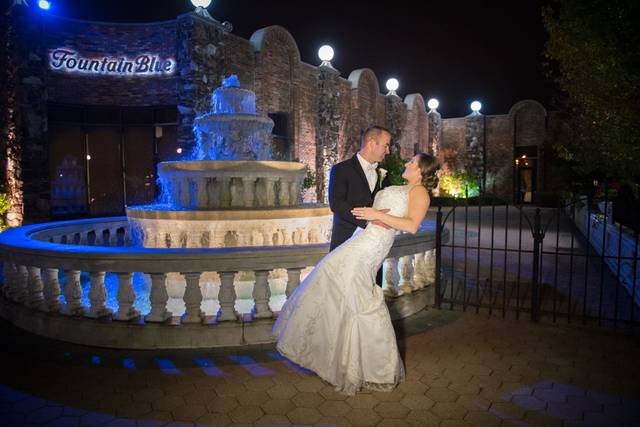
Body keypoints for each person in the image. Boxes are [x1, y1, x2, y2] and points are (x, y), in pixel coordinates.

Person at [273, 153, 440, 395]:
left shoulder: (419, 192)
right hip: (363, 238)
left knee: (339, 279)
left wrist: (377, 215)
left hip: (372, 245)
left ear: (422, 170)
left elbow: (412, 225)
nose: (406, 163)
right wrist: (371, 215)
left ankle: (368, 365)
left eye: (412, 162)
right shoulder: (405, 187)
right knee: (340, 285)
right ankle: (339, 357)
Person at [328, 125, 392, 285]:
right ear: (371, 143)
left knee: (371, 289)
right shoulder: (341, 169)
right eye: (386, 145)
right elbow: (337, 204)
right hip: (347, 242)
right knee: (343, 290)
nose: (388, 151)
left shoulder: (383, 173)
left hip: (374, 245)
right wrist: (368, 220)